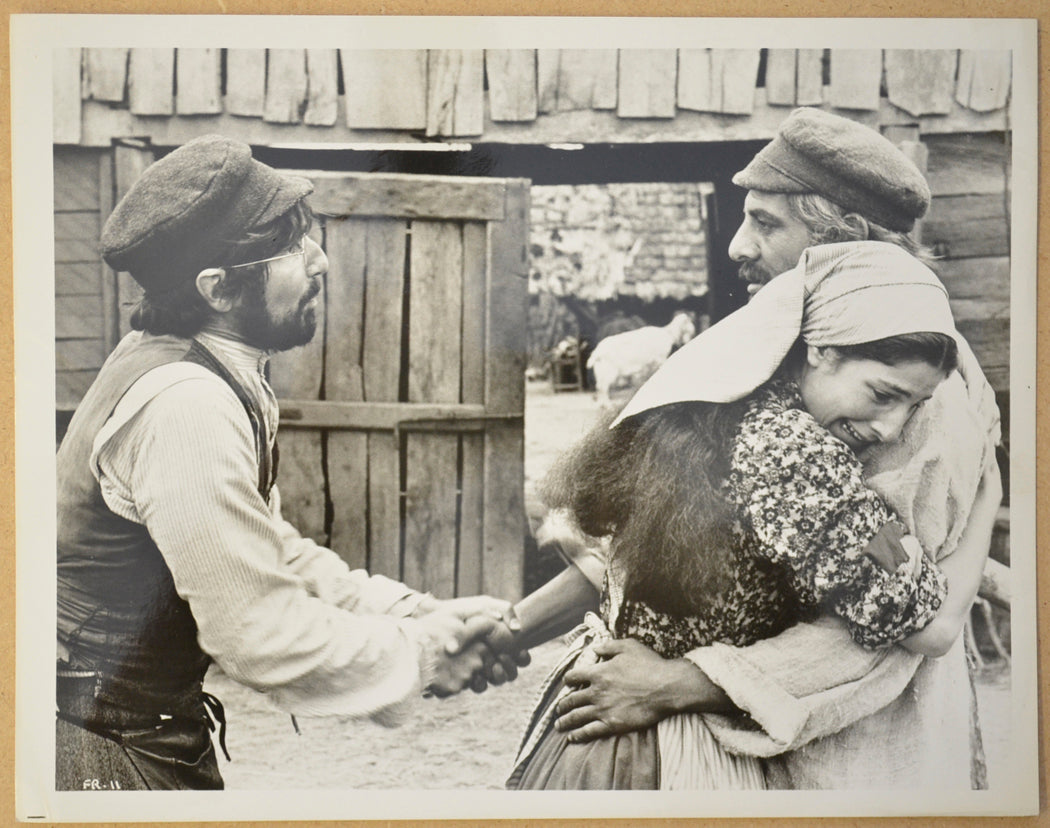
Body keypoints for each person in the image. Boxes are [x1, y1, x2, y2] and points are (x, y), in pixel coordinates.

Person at [502, 108, 1002, 789]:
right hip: (695, 735)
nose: (737, 246)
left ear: (842, 246)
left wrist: (683, 681)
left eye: (765, 223)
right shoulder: (774, 374)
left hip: (851, 749)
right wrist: (512, 630)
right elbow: (658, 546)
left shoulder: (919, 394)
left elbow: (894, 629)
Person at [55, 135, 523, 791]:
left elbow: (270, 550)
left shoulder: (198, 358)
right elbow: (256, 632)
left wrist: (419, 615)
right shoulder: (185, 404)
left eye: (311, 236)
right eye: (292, 249)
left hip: (145, 731)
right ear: (217, 289)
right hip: (97, 755)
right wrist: (422, 658)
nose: (321, 261)